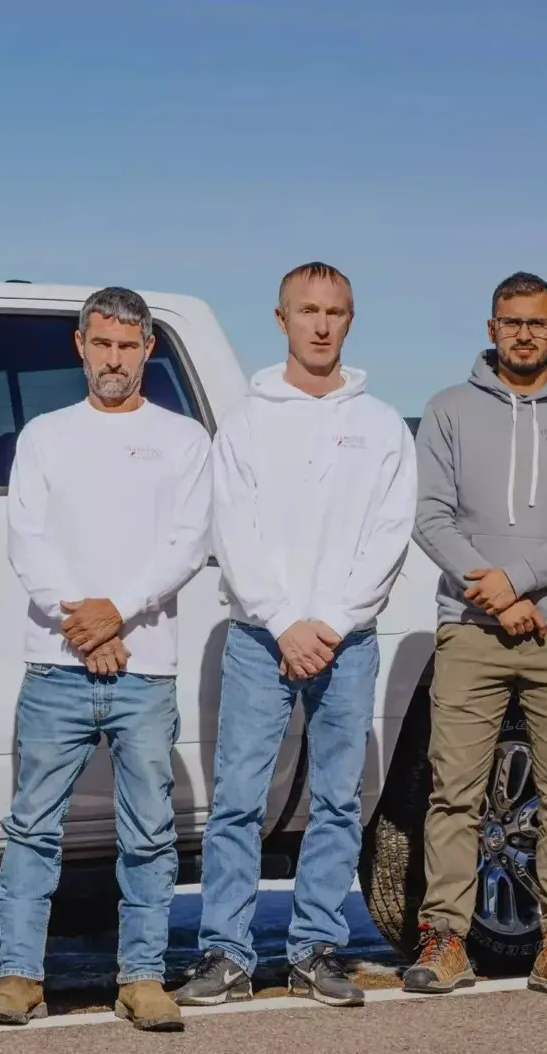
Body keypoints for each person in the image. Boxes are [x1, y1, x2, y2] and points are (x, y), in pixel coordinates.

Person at [178, 262, 416, 1009]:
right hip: (260, 639)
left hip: (349, 642)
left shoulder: (380, 426)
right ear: (281, 320)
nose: (321, 324)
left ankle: (316, 950)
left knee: (339, 804)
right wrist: (285, 622)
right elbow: (232, 530)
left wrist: (333, 623)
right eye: (306, 310)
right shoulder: (247, 422)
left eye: (334, 312)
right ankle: (226, 954)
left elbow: (389, 536)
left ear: (351, 320)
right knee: (238, 803)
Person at [0, 287, 212, 1033]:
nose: (114, 359)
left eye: (128, 346)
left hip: (146, 668)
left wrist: (120, 611)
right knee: (31, 829)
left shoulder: (183, 440)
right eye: (102, 344)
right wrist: (86, 623)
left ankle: (142, 979)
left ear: (149, 350)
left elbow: (187, 544)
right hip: (56, 664)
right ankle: (19, 978)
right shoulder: (46, 436)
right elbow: (27, 540)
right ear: (81, 346)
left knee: (148, 833)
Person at [404, 272, 547, 1005]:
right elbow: (430, 516)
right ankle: (445, 939)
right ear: (491, 327)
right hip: (471, 628)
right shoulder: (449, 409)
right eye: (511, 321)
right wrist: (493, 593)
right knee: (453, 791)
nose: (523, 333)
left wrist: (519, 581)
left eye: (537, 323)